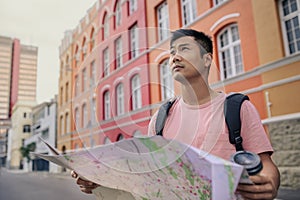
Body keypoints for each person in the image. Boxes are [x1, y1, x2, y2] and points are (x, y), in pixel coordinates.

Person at [72, 29, 280, 199]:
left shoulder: (236, 107)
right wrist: (97, 178)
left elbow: (267, 167)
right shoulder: (161, 118)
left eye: (185, 49)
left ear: (207, 60)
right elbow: (143, 177)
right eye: (172, 52)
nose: (175, 57)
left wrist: (268, 184)